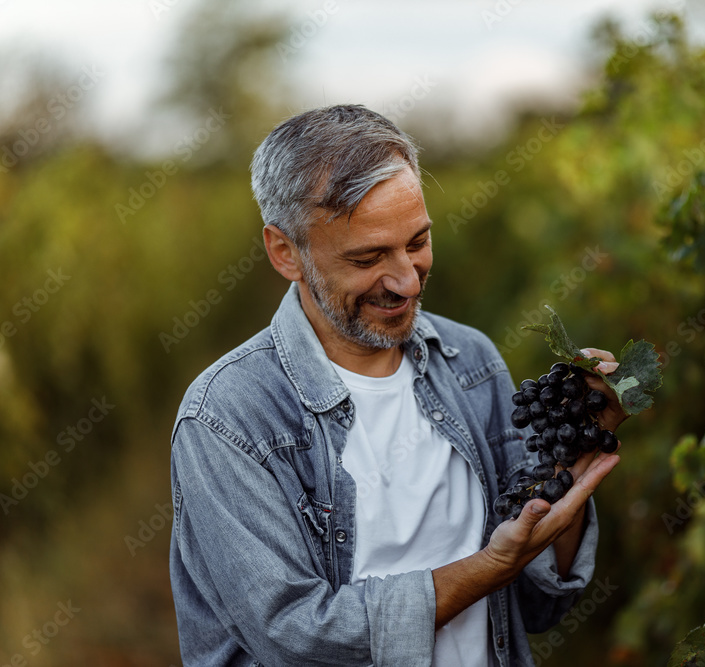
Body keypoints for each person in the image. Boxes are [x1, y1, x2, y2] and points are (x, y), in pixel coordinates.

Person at [169, 104, 626, 666]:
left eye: (416, 243)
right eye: (368, 257)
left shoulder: (470, 363)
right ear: (286, 251)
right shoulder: (229, 418)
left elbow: (537, 606)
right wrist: (488, 567)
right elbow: (295, 636)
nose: (407, 281)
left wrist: (569, 458)